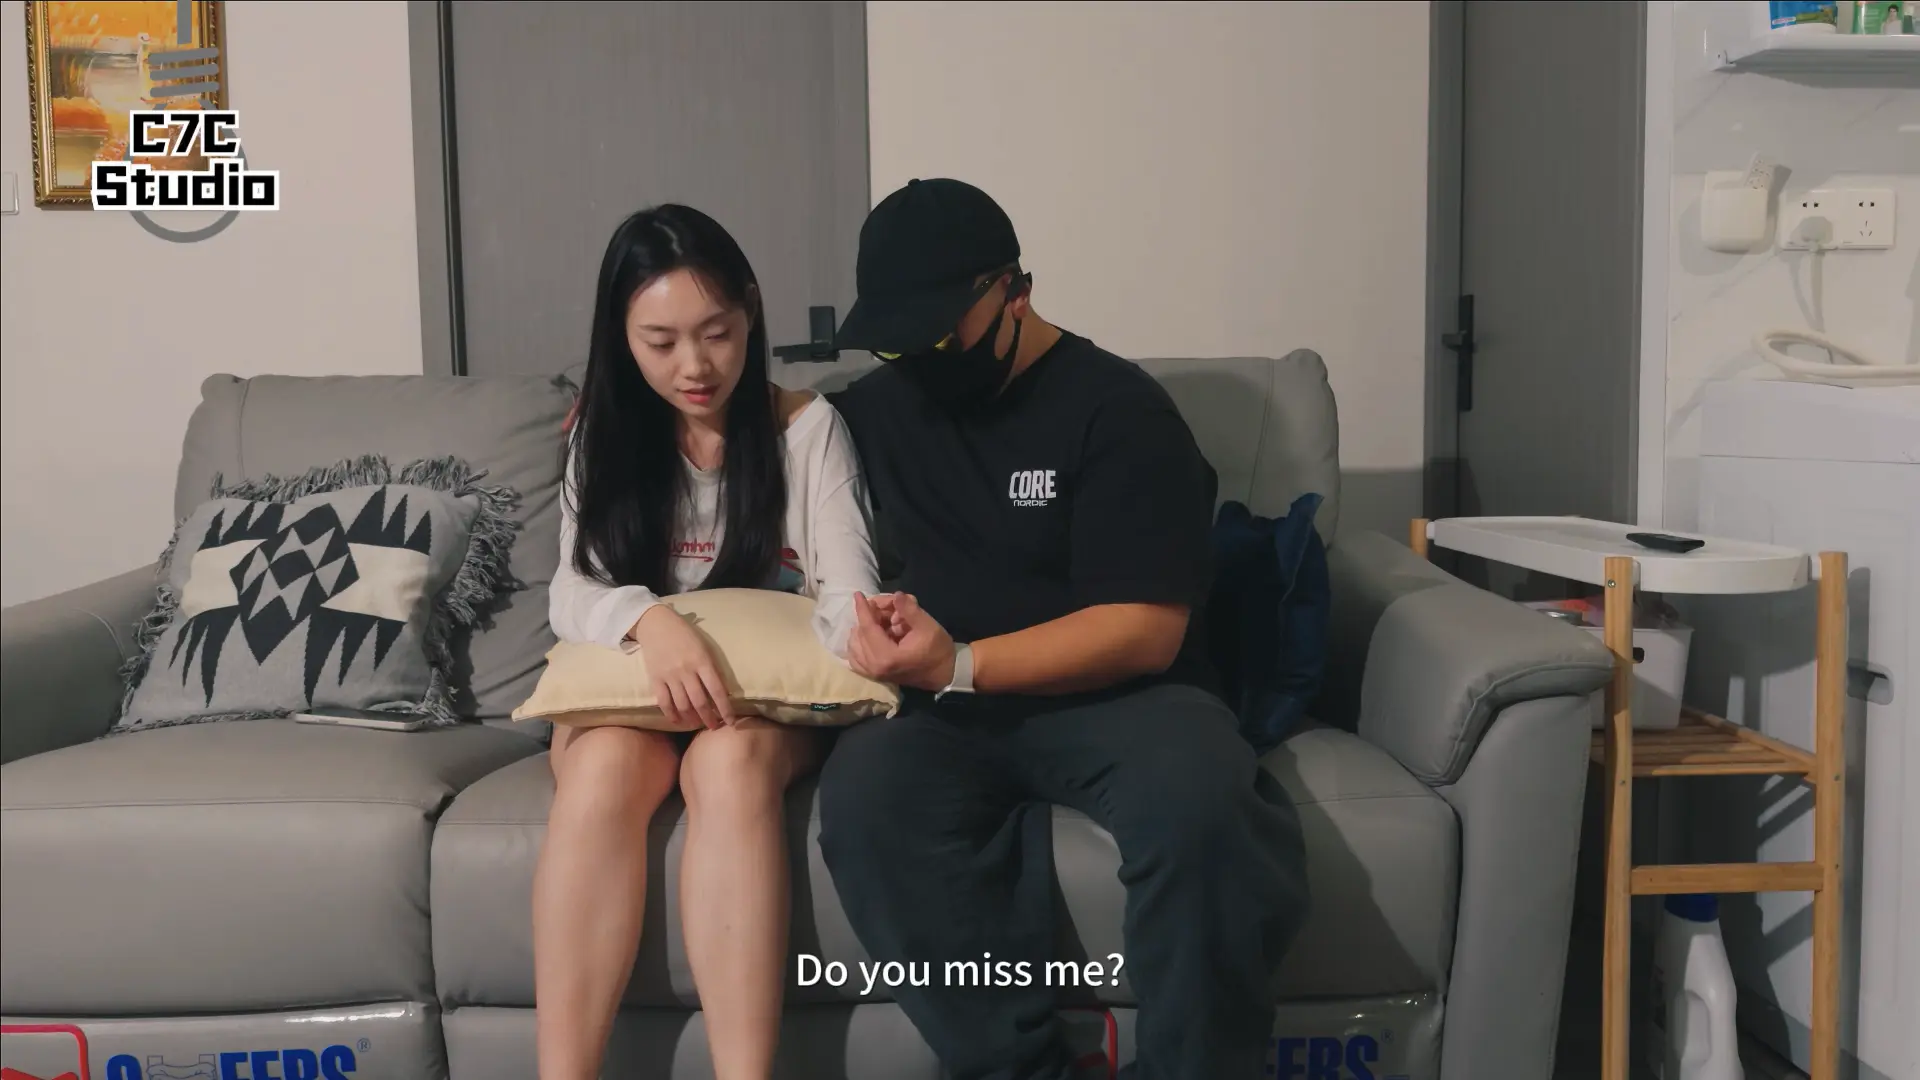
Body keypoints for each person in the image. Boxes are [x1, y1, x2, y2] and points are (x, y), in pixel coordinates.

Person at [817, 179, 1310, 1080]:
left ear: (1015, 291)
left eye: (940, 335)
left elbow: (1146, 629)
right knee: (864, 804)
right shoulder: (882, 406)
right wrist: (628, 419)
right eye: (896, 343)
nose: (919, 360)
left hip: (1124, 696)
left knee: (1205, 806)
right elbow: (757, 423)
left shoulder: (1119, 412)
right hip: (946, 711)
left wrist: (962, 661)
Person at [535, 204, 879, 1080]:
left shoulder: (807, 429)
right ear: (621, 338)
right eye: (660, 342)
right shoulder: (602, 432)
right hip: (632, 699)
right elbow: (571, 590)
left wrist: (875, 635)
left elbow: (848, 594)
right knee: (602, 767)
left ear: (751, 311)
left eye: (716, 333)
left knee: (726, 765)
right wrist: (653, 622)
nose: (695, 366)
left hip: (757, 710)